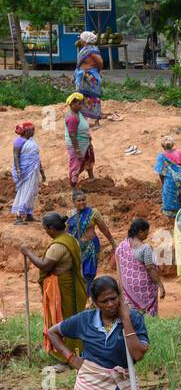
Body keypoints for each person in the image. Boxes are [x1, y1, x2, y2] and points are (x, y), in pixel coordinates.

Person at [20, 213, 86, 362]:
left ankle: (66, 357)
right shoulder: (71, 239)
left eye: (45, 229)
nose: (46, 232)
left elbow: (45, 265)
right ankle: (76, 351)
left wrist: (28, 253)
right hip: (72, 284)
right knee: (72, 318)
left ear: (51, 228)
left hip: (64, 289)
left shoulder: (58, 246)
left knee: (63, 320)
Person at [67, 189, 116, 289]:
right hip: (76, 247)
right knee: (76, 271)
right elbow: (67, 232)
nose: (82, 202)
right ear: (74, 202)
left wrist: (112, 242)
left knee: (89, 273)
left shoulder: (93, 213)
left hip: (91, 246)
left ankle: (88, 294)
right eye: (79, 200)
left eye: (83, 200)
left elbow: (104, 229)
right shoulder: (70, 214)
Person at [116, 218, 164, 316]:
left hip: (127, 287)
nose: (147, 235)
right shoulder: (145, 248)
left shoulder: (122, 246)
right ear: (140, 232)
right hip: (144, 288)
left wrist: (120, 287)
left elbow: (119, 269)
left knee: (132, 314)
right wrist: (160, 285)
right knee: (147, 313)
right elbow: (150, 268)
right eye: (146, 232)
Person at [153, 135, 181, 217]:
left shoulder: (161, 157)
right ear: (172, 144)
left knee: (170, 199)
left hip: (170, 181)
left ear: (163, 146)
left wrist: (164, 184)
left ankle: (174, 218)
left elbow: (161, 173)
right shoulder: (179, 152)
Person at [10, 121, 42, 222]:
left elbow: (36, 157)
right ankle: (18, 216)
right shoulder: (19, 142)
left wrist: (42, 172)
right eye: (32, 130)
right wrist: (18, 169)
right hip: (24, 171)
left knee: (32, 192)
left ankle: (28, 214)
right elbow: (16, 156)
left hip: (34, 170)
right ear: (26, 131)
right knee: (24, 191)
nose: (33, 132)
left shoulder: (32, 142)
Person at [73, 32, 104, 124]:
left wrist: (96, 71)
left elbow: (100, 62)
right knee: (83, 97)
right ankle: (84, 120)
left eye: (81, 39)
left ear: (85, 40)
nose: (80, 40)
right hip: (83, 76)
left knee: (94, 97)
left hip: (90, 77)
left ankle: (96, 121)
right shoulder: (84, 49)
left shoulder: (93, 50)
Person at [64, 93, 94, 186]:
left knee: (88, 160)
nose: (81, 106)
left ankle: (91, 177)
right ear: (72, 104)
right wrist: (77, 151)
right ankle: (73, 188)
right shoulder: (72, 117)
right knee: (75, 166)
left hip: (84, 143)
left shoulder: (78, 112)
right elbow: (72, 135)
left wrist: (89, 141)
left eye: (82, 103)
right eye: (79, 104)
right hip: (77, 145)